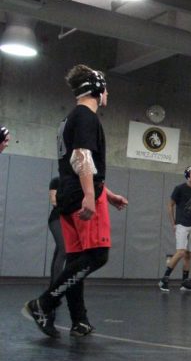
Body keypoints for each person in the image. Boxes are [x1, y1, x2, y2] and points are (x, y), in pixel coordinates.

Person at [23, 65, 128, 338]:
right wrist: (92, 196)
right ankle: (43, 303)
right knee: (97, 255)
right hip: (82, 195)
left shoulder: (69, 119)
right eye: (105, 88)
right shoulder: (86, 117)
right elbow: (81, 156)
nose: (108, 94)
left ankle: (79, 321)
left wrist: (108, 193)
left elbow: (76, 165)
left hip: (68, 195)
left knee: (76, 261)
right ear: (96, 89)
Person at [48, 176, 66, 282]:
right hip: (56, 219)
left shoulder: (75, 183)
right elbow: (54, 201)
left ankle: (53, 287)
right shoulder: (56, 181)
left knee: (59, 251)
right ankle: (56, 287)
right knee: (63, 248)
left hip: (68, 221)